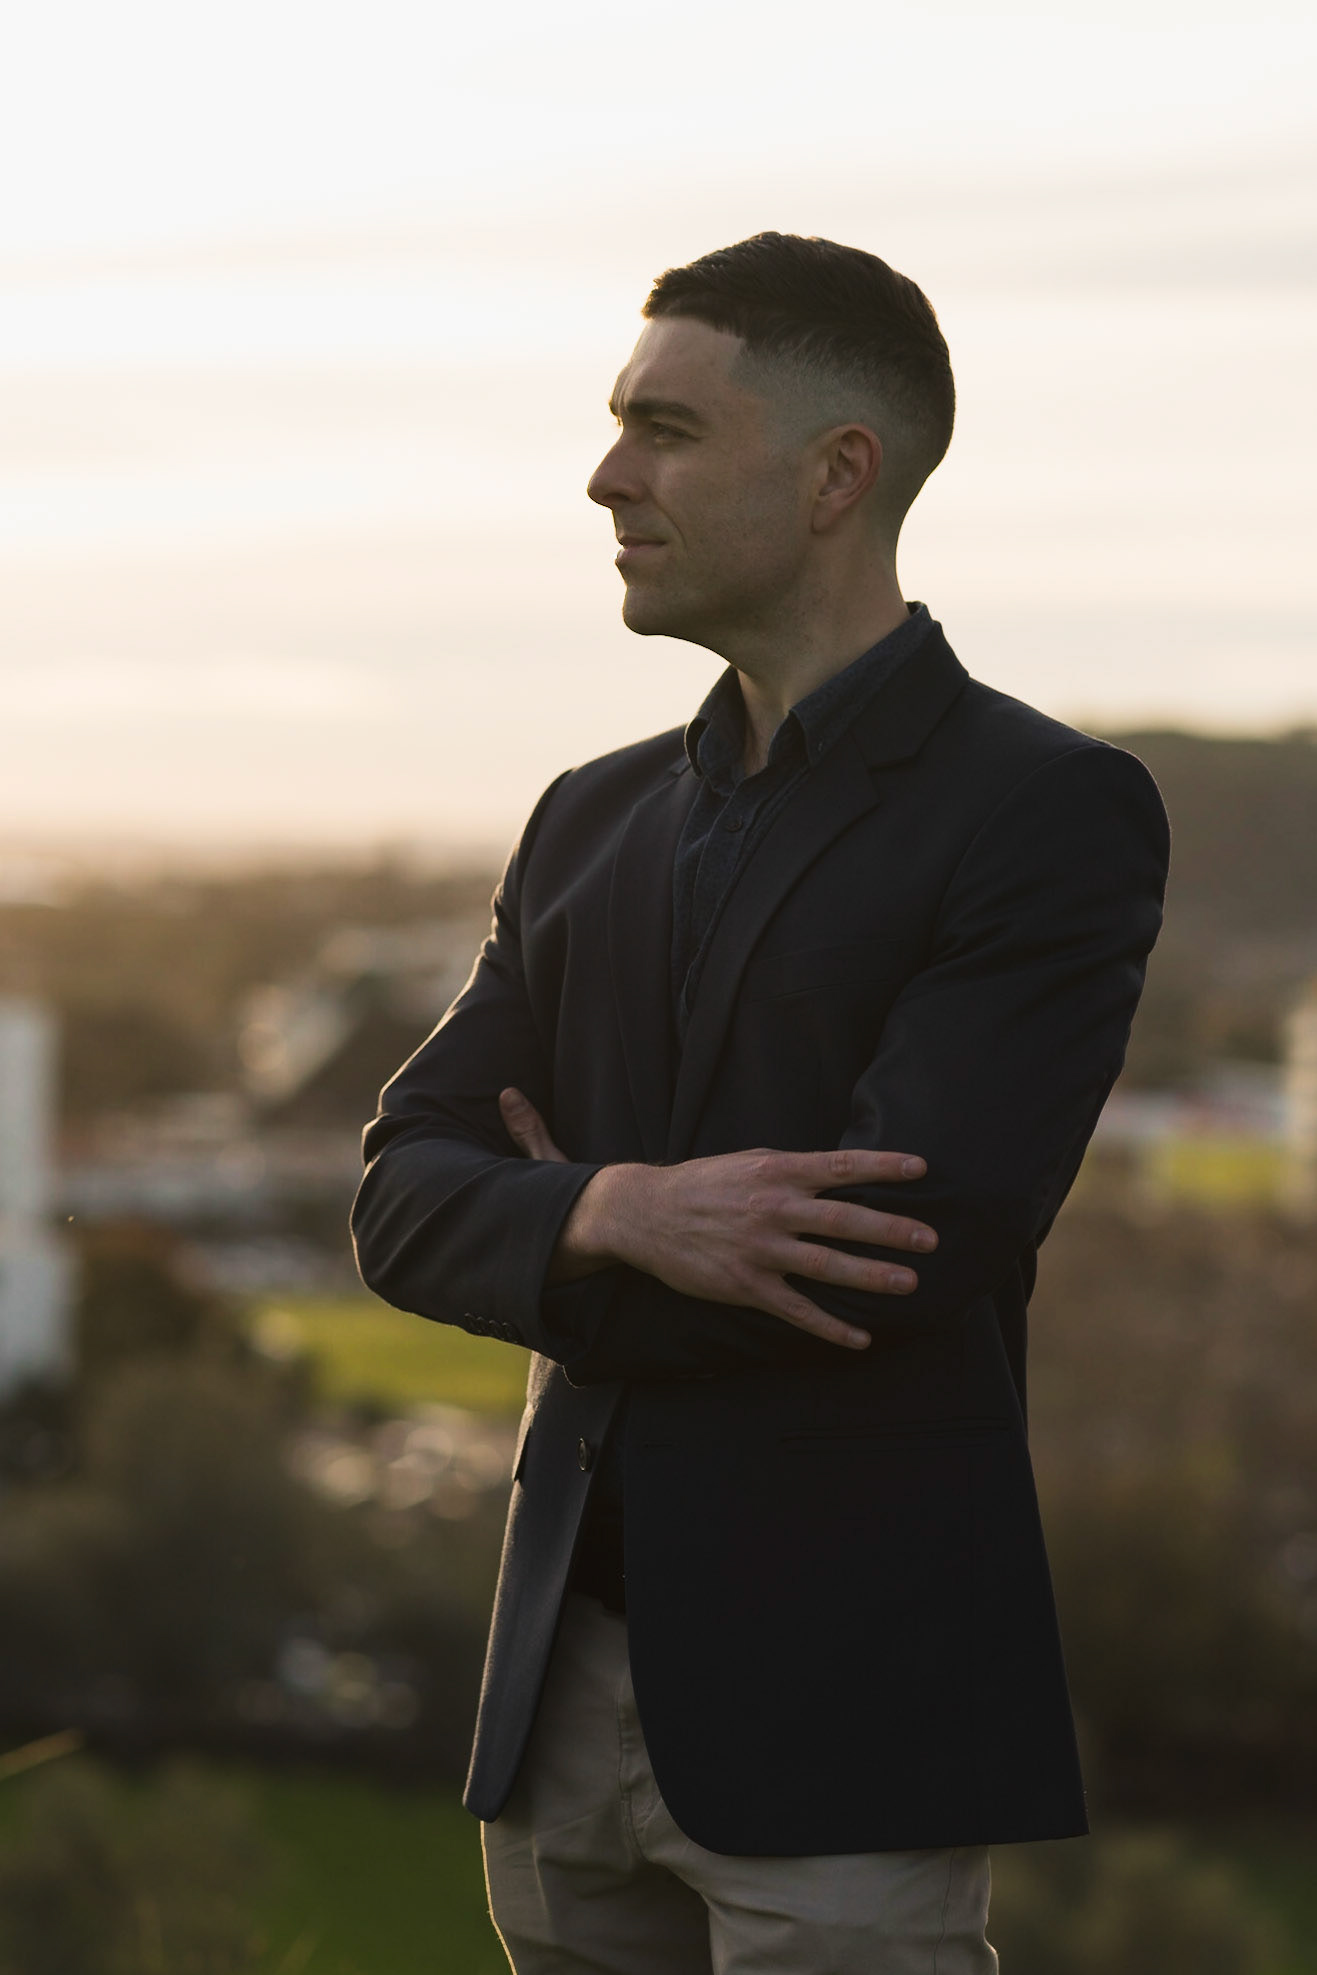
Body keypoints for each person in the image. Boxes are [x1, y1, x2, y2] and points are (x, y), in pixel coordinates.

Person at [351, 232, 1170, 1973]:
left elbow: (883, 1251)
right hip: (558, 1700)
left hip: (839, 1711)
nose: (606, 477)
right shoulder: (585, 817)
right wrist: (616, 1211)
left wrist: (541, 1234)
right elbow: (397, 1195)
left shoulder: (1043, 809)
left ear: (834, 475)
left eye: (663, 429)